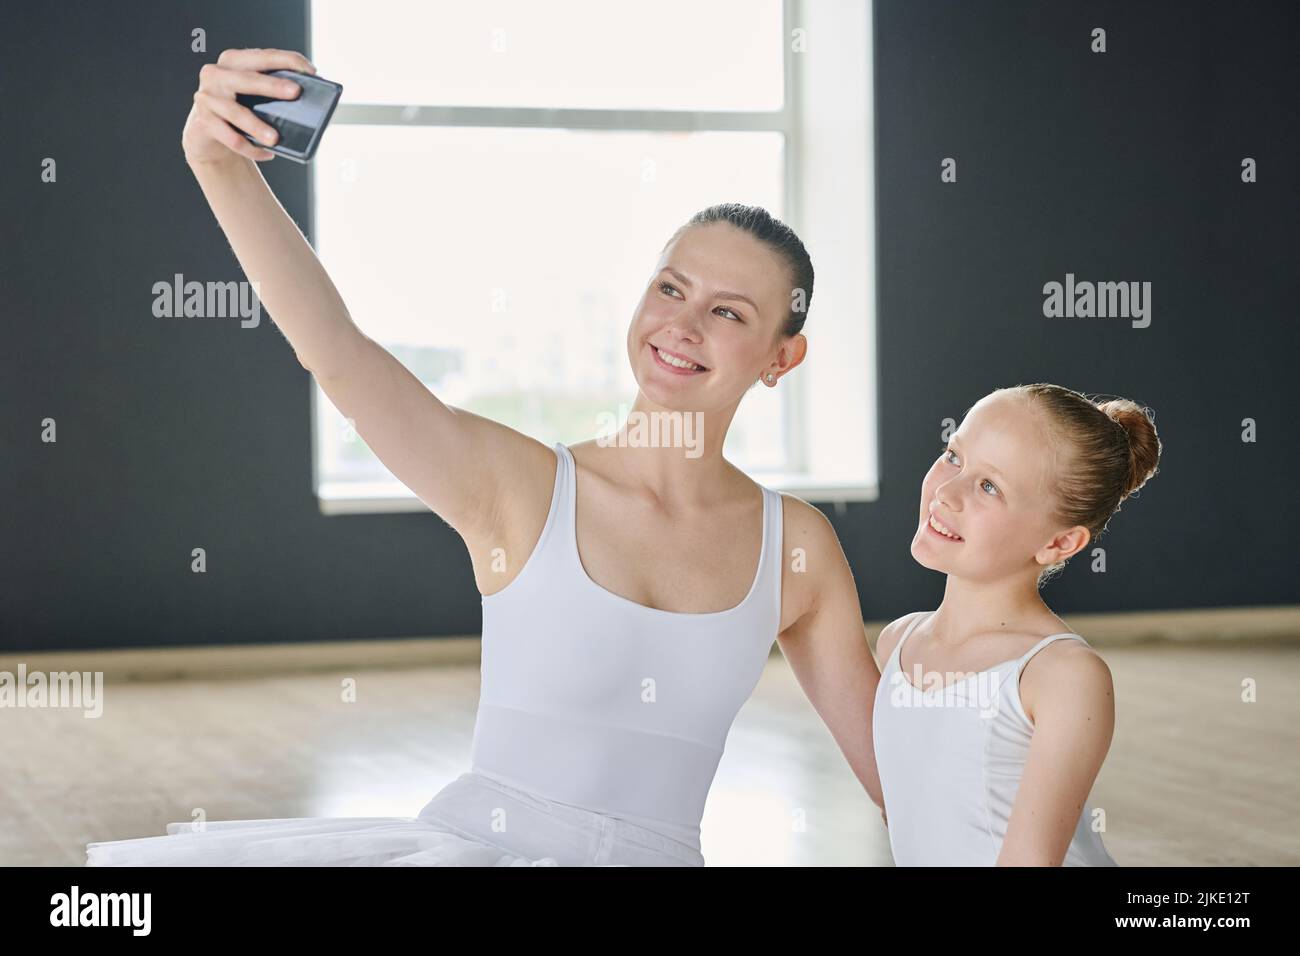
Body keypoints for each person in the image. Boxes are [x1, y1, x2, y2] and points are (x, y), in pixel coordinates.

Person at [85, 47, 884, 866]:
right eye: (670, 289)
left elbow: (896, 772)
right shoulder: (522, 488)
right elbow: (338, 353)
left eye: (729, 312)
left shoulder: (796, 547)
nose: (682, 325)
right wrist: (219, 167)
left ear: (781, 359)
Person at [873, 383, 1162, 865]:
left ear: (1060, 543)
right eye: (954, 456)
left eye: (990, 486)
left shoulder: (1061, 676)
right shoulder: (897, 643)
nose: (946, 491)